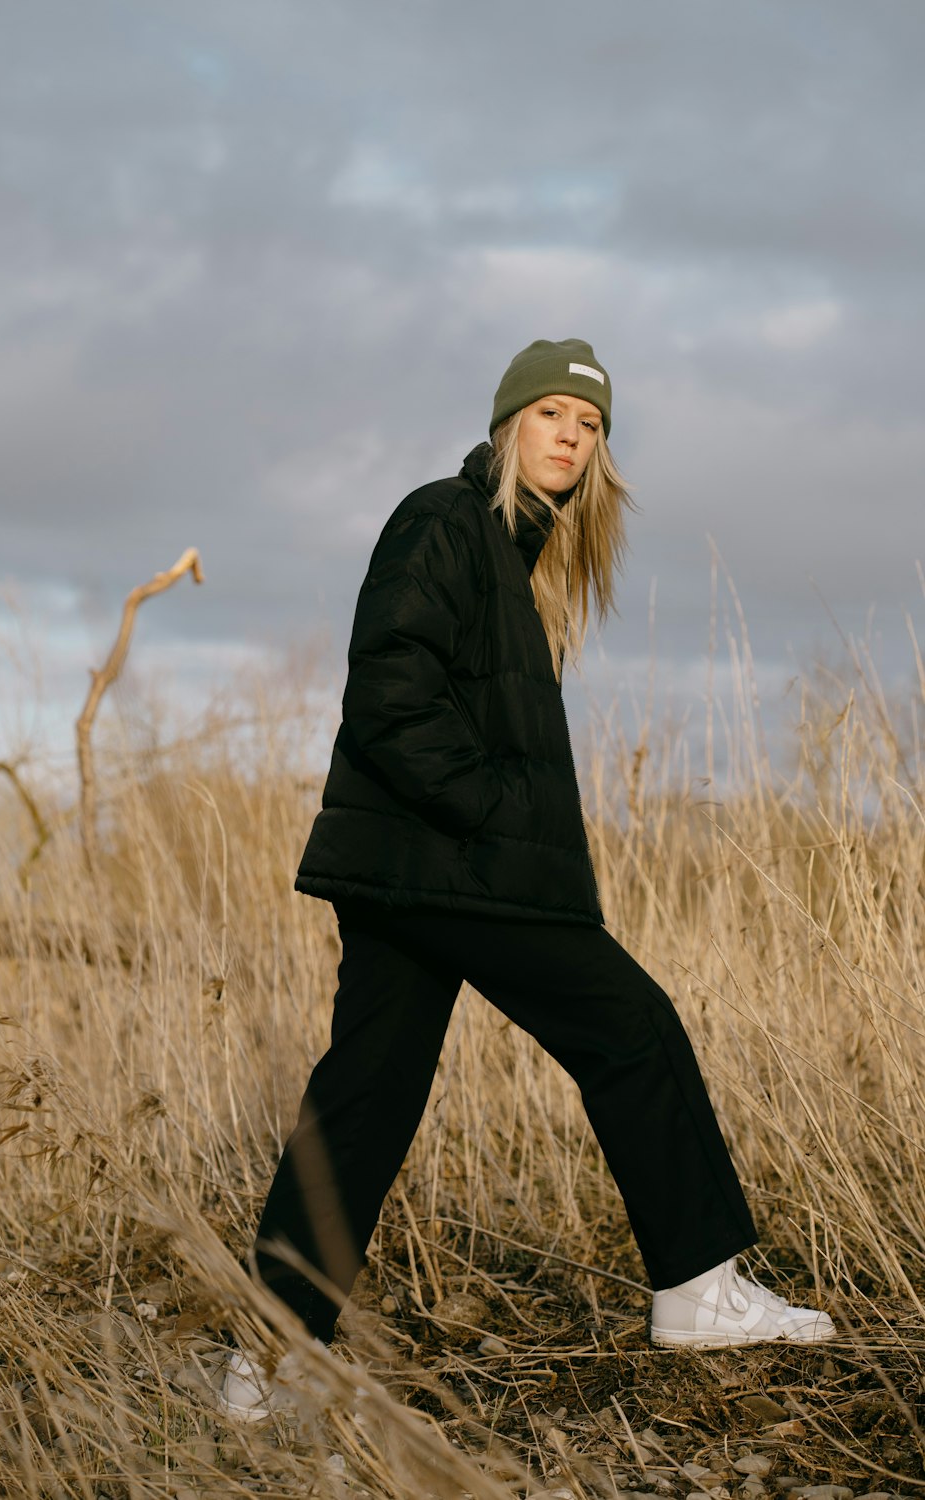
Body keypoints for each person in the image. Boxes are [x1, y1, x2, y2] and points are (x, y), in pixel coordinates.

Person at [220, 338, 834, 1420]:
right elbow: (391, 697)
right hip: (449, 865)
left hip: (405, 870)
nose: (570, 435)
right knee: (630, 1030)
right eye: (551, 413)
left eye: (589, 424)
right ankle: (696, 1286)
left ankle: (265, 1363)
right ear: (509, 423)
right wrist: (497, 815)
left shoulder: (509, 552)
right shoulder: (440, 520)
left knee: (363, 1099)